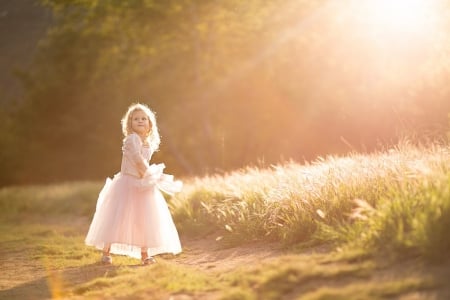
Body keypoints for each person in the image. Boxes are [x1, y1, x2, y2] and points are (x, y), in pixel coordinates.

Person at [85, 103, 183, 265]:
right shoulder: (131, 139)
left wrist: (149, 177)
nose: (140, 121)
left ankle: (145, 254)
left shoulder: (148, 143)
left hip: (142, 184)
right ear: (129, 123)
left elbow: (144, 161)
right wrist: (150, 174)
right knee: (116, 217)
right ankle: (106, 251)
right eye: (136, 119)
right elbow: (137, 160)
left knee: (144, 219)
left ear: (150, 124)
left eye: (144, 118)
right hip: (127, 183)